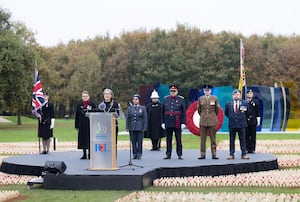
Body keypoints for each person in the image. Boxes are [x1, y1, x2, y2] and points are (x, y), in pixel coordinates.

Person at [161, 85, 186, 160]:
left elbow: (183, 112)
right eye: (171, 91)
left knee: (178, 139)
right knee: (168, 139)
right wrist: (163, 122)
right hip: (168, 121)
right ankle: (168, 154)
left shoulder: (181, 100)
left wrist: (183, 123)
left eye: (174, 91)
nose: (173, 92)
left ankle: (179, 154)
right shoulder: (166, 99)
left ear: (177, 92)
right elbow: (162, 112)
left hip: (177, 121)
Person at [225, 89, 250, 160]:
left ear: (240, 95)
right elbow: (227, 113)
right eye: (235, 95)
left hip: (241, 124)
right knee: (231, 140)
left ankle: (244, 154)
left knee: (243, 140)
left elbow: (248, 113)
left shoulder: (244, 103)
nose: (236, 96)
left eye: (238, 94)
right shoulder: (228, 103)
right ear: (232, 96)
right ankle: (231, 154)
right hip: (232, 124)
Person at [197, 84, 219, 160]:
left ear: (210, 91)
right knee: (203, 139)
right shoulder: (201, 99)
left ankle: (214, 154)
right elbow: (199, 110)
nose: (207, 92)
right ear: (203, 91)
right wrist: (203, 116)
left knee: (213, 138)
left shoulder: (214, 98)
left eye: (208, 90)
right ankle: (202, 154)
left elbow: (217, 110)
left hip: (212, 121)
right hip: (203, 121)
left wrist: (212, 116)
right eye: (205, 90)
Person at [75, 90, 96, 159]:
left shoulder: (92, 104)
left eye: (86, 96)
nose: (84, 97)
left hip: (89, 124)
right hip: (81, 124)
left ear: (89, 97)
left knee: (89, 138)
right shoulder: (79, 105)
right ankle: (84, 154)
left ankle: (90, 153)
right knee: (82, 139)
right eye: (83, 96)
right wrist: (76, 125)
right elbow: (77, 115)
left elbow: (95, 113)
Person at [126, 94, 147, 160]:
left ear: (139, 100)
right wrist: (127, 127)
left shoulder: (142, 108)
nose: (135, 100)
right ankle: (134, 154)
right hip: (132, 127)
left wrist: (144, 127)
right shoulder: (130, 108)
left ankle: (139, 154)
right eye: (134, 99)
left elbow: (145, 118)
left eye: (136, 99)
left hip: (140, 127)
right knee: (133, 141)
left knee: (139, 141)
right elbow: (128, 118)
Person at [246, 88, 261, 153]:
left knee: (253, 135)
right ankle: (247, 148)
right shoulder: (244, 102)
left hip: (253, 121)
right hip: (246, 121)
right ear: (246, 94)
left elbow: (257, 112)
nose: (250, 94)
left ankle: (252, 149)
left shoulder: (255, 102)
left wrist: (258, 120)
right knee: (246, 135)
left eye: (251, 93)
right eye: (249, 93)